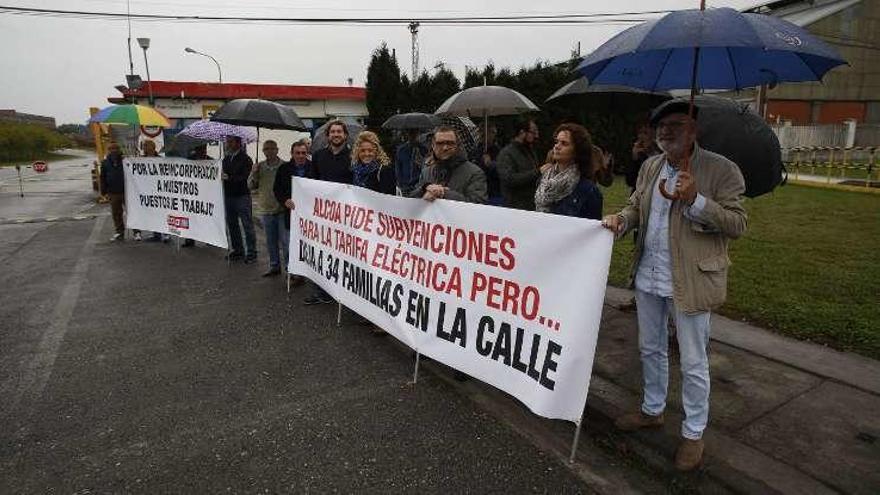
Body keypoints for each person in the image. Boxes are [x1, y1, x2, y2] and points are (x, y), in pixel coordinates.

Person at [601, 100, 747, 471]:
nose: (665, 131)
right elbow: (637, 206)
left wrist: (696, 200)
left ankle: (693, 433)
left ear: (694, 130)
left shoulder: (721, 169)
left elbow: (736, 224)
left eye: (676, 125)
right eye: (661, 126)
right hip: (649, 273)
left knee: (694, 360)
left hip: (692, 279)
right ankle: (652, 410)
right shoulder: (651, 166)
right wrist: (622, 219)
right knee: (650, 347)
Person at [303, 120, 352, 304]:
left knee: (343, 255)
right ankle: (321, 291)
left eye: (340, 131)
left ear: (345, 135)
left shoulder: (353, 156)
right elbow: (310, 181)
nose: (336, 134)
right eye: (333, 132)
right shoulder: (318, 156)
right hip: (323, 215)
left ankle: (342, 292)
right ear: (327, 135)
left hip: (345, 216)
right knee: (322, 253)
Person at [534, 123, 603, 220]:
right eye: (556, 142)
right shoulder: (543, 180)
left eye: (564, 143)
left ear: (577, 150)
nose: (557, 147)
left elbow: (591, 230)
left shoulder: (588, 190)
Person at [409, 126, 487, 204]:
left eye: (450, 143)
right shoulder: (427, 172)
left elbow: (478, 204)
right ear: (433, 146)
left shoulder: (474, 173)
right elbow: (411, 200)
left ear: (457, 146)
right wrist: (425, 188)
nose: (445, 147)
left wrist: (444, 193)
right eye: (440, 143)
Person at [273, 139, 312, 287]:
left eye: (303, 153)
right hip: (291, 214)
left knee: (307, 246)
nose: (301, 156)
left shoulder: (313, 168)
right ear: (292, 153)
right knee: (290, 244)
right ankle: (294, 273)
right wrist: (284, 201)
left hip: (310, 215)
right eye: (298, 153)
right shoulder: (284, 169)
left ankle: (307, 273)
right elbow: (277, 189)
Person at [249, 140, 287, 277]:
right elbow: (251, 186)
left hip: (282, 210)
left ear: (277, 150)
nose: (269, 151)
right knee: (270, 241)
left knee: (285, 242)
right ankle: (274, 266)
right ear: (263, 151)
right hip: (266, 209)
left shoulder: (284, 166)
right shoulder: (259, 167)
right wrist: (254, 173)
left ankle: (289, 269)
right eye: (266, 149)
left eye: (272, 148)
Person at [222, 135, 257, 263]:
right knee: (232, 225)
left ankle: (252, 252)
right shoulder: (226, 159)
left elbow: (245, 178)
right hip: (229, 196)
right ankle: (238, 250)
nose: (228, 144)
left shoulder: (246, 159)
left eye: (230, 142)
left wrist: (229, 178)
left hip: (242, 196)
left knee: (247, 225)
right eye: (227, 142)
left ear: (238, 143)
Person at [496, 118, 540, 210]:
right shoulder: (506, 153)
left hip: (531, 206)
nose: (536, 136)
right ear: (522, 132)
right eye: (533, 132)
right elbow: (509, 179)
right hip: (514, 208)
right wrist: (538, 172)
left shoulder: (531, 151)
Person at [179, 144, 214, 248]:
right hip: (192, 194)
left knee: (207, 217)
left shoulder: (211, 161)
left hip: (206, 194)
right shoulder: (190, 160)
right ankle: (190, 239)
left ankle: (210, 239)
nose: (202, 151)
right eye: (200, 150)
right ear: (196, 150)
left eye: (204, 149)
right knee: (191, 217)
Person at [140, 139, 167, 243]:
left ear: (153, 147)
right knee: (152, 214)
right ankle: (156, 235)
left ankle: (166, 234)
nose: (146, 148)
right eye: (145, 146)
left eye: (147, 146)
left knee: (162, 213)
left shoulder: (160, 159)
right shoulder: (140, 160)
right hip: (147, 191)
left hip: (159, 191)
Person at [352, 131, 396, 195]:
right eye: (362, 151)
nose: (366, 154)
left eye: (370, 150)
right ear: (357, 152)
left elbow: (390, 198)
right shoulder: (354, 170)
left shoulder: (384, 170)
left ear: (376, 151)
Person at [100, 142, 128, 242]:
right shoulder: (105, 163)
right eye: (111, 149)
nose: (114, 150)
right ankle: (120, 232)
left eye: (116, 148)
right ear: (109, 150)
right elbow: (102, 177)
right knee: (116, 214)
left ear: (119, 149)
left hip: (126, 191)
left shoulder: (126, 161)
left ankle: (136, 232)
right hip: (113, 192)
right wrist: (104, 192)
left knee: (131, 212)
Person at [628, 121, 661, 193]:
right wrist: (635, 159)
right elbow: (630, 181)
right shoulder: (639, 156)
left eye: (645, 133)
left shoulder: (662, 155)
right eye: (640, 133)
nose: (641, 137)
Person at [393, 129, 427, 196]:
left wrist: (420, 161)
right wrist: (400, 183)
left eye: (415, 133)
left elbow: (426, 166)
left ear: (418, 134)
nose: (413, 136)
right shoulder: (401, 150)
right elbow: (398, 167)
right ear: (407, 134)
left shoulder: (423, 149)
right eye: (410, 133)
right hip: (404, 185)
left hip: (418, 185)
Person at [476, 124, 503, 206]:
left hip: (494, 192)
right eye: (480, 132)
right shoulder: (476, 150)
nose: (481, 135)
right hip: (478, 190)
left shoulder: (499, 151)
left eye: (484, 133)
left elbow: (504, 172)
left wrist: (491, 164)